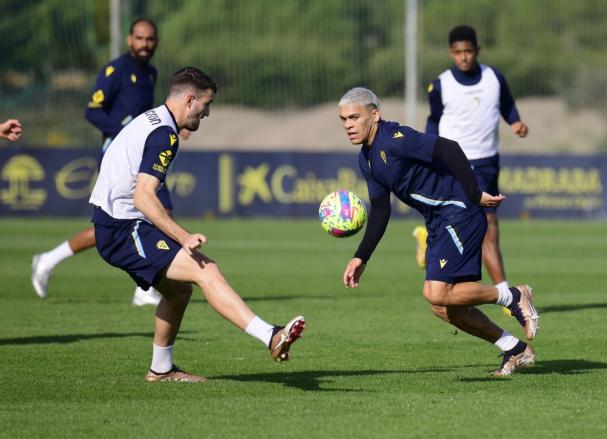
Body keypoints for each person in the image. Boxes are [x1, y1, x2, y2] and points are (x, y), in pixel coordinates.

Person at [89, 66, 305, 382]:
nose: (207, 113)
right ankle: (270, 336)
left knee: (178, 293)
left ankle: (160, 370)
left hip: (118, 224)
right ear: (190, 99)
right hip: (123, 229)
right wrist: (183, 236)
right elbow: (144, 197)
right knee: (207, 270)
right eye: (206, 104)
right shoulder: (165, 134)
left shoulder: (153, 119)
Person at [338, 87, 537, 376]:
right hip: (438, 222)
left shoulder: (395, 139)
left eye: (354, 117)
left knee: (435, 291)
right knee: (444, 307)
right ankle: (514, 348)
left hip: (459, 212)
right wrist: (361, 257)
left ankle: (513, 296)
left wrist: (472, 191)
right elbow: (381, 209)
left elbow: (449, 148)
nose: (348, 125)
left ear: (375, 114)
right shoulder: (366, 159)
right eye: (343, 119)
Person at [31, 18, 165, 305]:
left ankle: (49, 260)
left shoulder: (150, 73)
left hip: (140, 156)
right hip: (116, 156)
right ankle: (144, 288)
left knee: (140, 218)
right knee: (129, 221)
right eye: (139, 38)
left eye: (150, 39)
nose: (144, 44)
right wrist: (125, 131)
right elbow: (92, 111)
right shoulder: (115, 70)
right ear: (130, 40)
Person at [413, 25, 528, 313]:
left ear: (478, 50)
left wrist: (515, 121)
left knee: (489, 227)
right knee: (477, 224)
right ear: (451, 53)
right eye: (458, 52)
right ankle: (505, 294)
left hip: (487, 161)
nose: (463, 57)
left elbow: (507, 104)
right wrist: (428, 153)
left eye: (468, 51)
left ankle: (502, 292)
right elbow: (433, 122)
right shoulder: (440, 85)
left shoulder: (494, 78)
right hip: (455, 163)